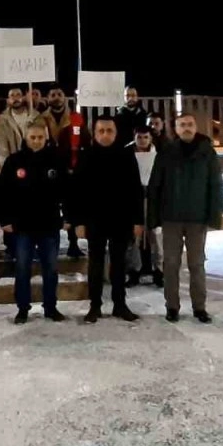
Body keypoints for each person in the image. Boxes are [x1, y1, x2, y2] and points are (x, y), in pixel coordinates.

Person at [147, 113, 223, 324]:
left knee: (197, 264)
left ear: (196, 126)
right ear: (176, 128)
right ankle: (172, 306)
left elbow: (216, 185)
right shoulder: (166, 152)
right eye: (182, 125)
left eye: (190, 124)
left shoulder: (207, 152)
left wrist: (215, 216)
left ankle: (199, 307)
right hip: (171, 217)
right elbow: (155, 186)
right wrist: (153, 219)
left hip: (197, 218)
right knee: (171, 264)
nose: (187, 128)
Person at [68, 116, 143, 323]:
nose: (105, 134)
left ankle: (120, 304)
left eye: (109, 130)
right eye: (101, 131)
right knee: (96, 264)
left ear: (116, 133)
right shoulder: (86, 156)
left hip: (121, 219)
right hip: (94, 220)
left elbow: (135, 190)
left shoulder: (126, 156)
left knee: (119, 264)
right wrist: (78, 221)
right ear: (94, 133)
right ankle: (95, 306)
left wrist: (138, 220)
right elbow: (76, 192)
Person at [0, 122, 68, 324]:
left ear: (46, 138)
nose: (36, 141)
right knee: (22, 269)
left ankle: (50, 307)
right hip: (22, 226)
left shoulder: (56, 160)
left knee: (51, 268)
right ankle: (22, 308)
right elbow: (3, 192)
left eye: (40, 137)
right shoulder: (14, 161)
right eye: (32, 137)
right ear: (26, 138)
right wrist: (5, 219)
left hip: (49, 224)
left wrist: (69, 217)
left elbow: (67, 191)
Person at [42, 86, 86, 258]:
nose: (57, 97)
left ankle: (73, 243)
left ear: (65, 97)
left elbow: (84, 138)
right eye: (53, 94)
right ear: (48, 98)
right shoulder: (41, 118)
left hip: (70, 168)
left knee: (72, 206)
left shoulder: (75, 118)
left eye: (60, 94)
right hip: (49, 166)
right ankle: (49, 244)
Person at [125, 126, 163, 287]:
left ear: (151, 138)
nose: (142, 140)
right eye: (139, 137)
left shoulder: (159, 154)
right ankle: (134, 271)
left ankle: (159, 271)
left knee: (157, 236)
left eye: (145, 137)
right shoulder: (126, 153)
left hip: (154, 199)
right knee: (134, 237)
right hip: (134, 199)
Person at [0, 87, 38, 167]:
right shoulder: (1, 121)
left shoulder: (35, 116)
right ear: (8, 100)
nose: (15, 98)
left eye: (18, 95)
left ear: (23, 97)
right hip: (12, 163)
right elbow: (2, 146)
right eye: (12, 95)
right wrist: (6, 165)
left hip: (33, 162)